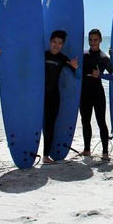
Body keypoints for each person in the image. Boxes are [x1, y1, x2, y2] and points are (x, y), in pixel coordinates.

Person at [43, 30, 80, 164]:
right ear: (50, 42)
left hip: (53, 96)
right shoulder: (42, 55)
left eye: (60, 43)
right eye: (54, 42)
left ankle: (45, 155)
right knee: (37, 124)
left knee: (50, 125)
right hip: (39, 97)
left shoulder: (62, 58)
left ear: (63, 45)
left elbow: (78, 76)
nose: (56, 45)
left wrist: (76, 67)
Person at [80, 29, 113, 160]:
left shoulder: (103, 57)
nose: (92, 42)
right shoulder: (83, 55)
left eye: (95, 40)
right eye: (90, 40)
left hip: (98, 93)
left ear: (100, 40)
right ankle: (87, 150)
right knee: (85, 122)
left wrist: (100, 75)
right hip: (84, 94)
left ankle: (105, 152)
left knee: (101, 122)